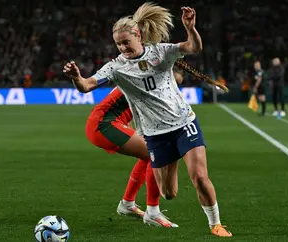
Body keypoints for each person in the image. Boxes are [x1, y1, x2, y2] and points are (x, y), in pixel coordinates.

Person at [64, 3, 232, 237]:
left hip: (184, 122)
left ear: (138, 36)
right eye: (118, 44)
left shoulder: (160, 51)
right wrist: (76, 77)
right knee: (169, 193)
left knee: (200, 177)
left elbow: (194, 47)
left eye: (126, 42)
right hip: (155, 134)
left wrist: (190, 28)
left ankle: (215, 224)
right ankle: (144, 203)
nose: (123, 47)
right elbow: (86, 86)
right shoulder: (116, 67)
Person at [85, 70, 184, 228]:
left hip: (109, 123)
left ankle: (127, 204)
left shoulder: (142, 75)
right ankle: (152, 212)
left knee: (148, 155)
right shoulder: (145, 76)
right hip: (104, 124)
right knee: (157, 153)